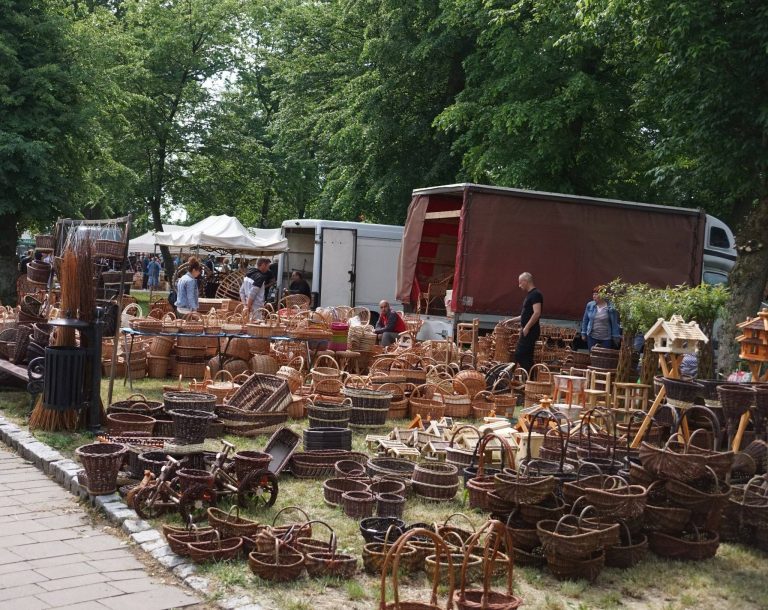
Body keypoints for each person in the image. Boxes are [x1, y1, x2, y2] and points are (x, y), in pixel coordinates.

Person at [510, 272, 542, 374]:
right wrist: (510, 320)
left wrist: (527, 328)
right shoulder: (530, 295)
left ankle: (531, 378)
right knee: (527, 356)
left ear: (525, 281)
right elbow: (524, 315)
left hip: (530, 331)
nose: (519, 285)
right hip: (527, 330)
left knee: (520, 354)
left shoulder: (536, 294)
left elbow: (537, 313)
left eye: (520, 283)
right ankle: (531, 380)